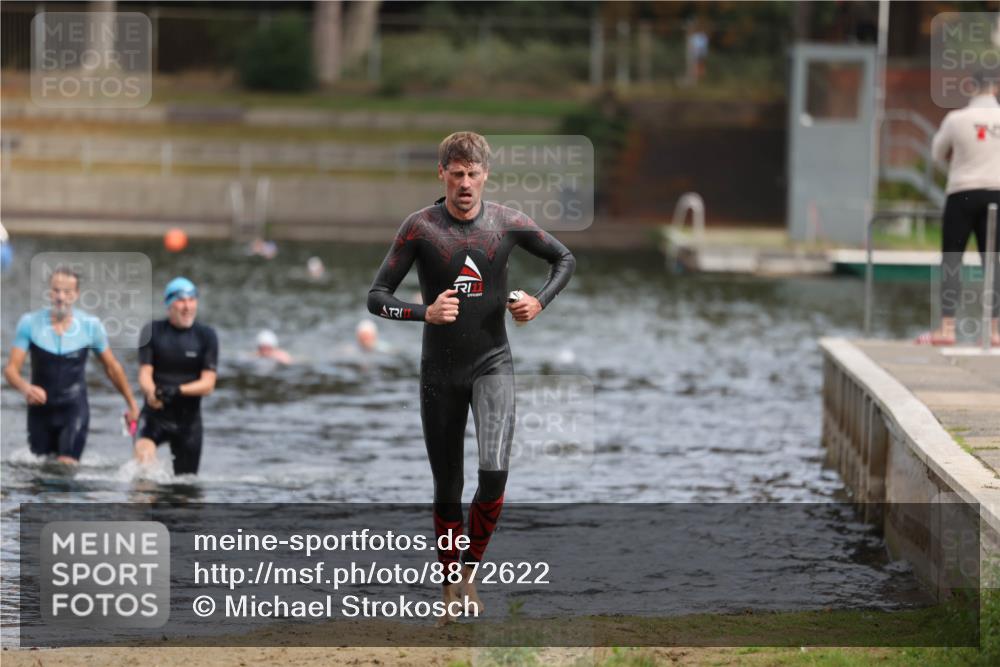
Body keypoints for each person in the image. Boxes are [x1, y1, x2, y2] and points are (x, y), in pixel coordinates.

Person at [367, 131, 575, 620]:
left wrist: (538, 302)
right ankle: (448, 588)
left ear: (486, 175)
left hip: (492, 363)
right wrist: (424, 313)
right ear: (441, 174)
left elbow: (564, 259)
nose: (465, 182)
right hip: (438, 371)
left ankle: (467, 574)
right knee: (448, 487)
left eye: (473, 173)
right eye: (456, 173)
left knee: (494, 474)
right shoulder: (420, 228)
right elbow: (376, 297)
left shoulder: (507, 224)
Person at [3, 267, 139, 464]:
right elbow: (10, 370)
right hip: (40, 412)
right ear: (50, 292)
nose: (60, 297)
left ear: (76, 295)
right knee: (39, 473)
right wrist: (26, 388)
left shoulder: (90, 326)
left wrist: (132, 404)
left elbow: (112, 367)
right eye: (56, 290)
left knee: (66, 467)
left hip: (73, 409)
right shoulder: (30, 323)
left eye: (67, 292)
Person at [921, 70, 1000, 345]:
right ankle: (994, 331)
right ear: (997, 87)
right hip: (997, 195)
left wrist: (959, 166)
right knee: (994, 262)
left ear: (970, 86)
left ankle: (947, 328)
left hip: (962, 193)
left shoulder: (956, 120)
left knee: (952, 260)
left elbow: (935, 154)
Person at [134, 277, 218, 475]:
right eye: (181, 300)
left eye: (192, 299)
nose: (187, 306)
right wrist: (151, 392)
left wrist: (178, 390)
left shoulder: (206, 335)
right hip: (155, 415)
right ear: (169, 303)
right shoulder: (152, 330)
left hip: (189, 423)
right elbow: (145, 373)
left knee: (184, 490)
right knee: (144, 468)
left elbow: (208, 384)